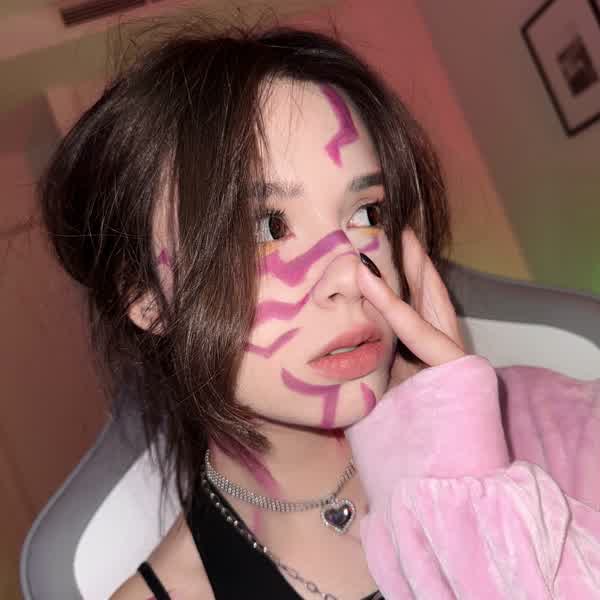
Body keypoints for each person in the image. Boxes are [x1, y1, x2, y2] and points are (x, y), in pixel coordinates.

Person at [39, 21, 600, 600]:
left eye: (366, 214)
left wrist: (466, 476)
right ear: (145, 297)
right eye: (267, 227)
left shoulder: (564, 425)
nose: (351, 275)